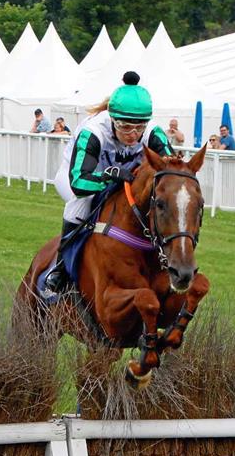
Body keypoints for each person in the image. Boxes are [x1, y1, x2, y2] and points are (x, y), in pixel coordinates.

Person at [45, 71, 174, 293]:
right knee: (82, 204)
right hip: (78, 177)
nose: (133, 135)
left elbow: (170, 170)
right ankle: (61, 268)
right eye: (125, 127)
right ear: (112, 119)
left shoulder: (153, 132)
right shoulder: (93, 132)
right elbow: (78, 182)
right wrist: (107, 176)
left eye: (139, 127)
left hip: (122, 180)